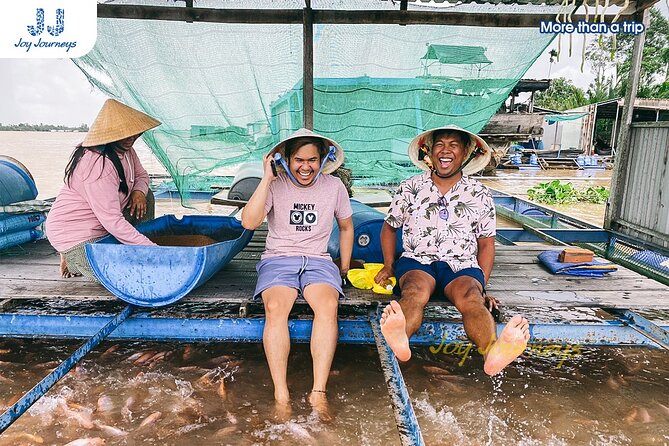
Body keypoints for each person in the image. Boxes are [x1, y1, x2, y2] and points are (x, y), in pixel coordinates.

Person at [374, 125, 530, 376]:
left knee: (471, 297)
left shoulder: (479, 193)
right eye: (439, 144)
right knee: (414, 291)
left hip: (461, 265)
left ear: (467, 152)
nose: (445, 151)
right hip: (418, 261)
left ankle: (492, 354)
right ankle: (401, 342)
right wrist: (389, 265)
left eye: (454, 145)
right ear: (428, 151)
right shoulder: (410, 187)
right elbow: (389, 228)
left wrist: (482, 287)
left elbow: (486, 244)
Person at [241, 128, 353, 419]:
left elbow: (346, 226)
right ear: (286, 159)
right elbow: (249, 222)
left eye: (313, 160)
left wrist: (343, 267)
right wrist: (266, 177)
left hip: (318, 260)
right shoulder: (275, 185)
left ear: (324, 159)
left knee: (328, 306)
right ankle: (282, 393)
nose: (306, 166)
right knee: (276, 307)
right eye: (299, 160)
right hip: (279, 259)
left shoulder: (334, 187)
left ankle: (318, 392)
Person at [46, 99, 160, 280]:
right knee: (118, 276)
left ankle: (136, 247)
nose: (131, 138)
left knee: (146, 196)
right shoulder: (97, 165)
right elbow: (113, 220)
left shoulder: (127, 150)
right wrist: (154, 251)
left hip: (103, 225)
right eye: (124, 134)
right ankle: (71, 258)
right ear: (110, 134)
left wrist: (138, 191)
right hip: (76, 234)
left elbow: (142, 176)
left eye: (133, 133)